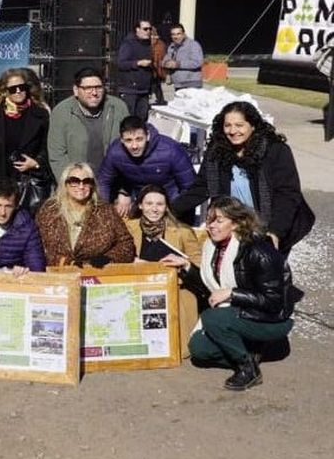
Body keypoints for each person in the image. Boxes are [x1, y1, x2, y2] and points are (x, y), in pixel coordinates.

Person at [161, 197, 297, 391]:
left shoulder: (259, 251)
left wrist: (233, 294)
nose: (211, 226)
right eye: (209, 220)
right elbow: (213, 289)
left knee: (211, 318)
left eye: (219, 220)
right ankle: (250, 350)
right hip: (239, 312)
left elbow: (275, 301)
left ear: (236, 223)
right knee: (199, 350)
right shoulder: (214, 247)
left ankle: (248, 368)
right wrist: (187, 266)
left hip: (271, 318)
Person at [172, 101, 314, 257]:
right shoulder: (217, 151)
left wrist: (275, 232)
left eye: (239, 125)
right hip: (233, 225)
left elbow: (286, 195)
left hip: (270, 224)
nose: (233, 131)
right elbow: (201, 187)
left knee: (266, 274)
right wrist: (169, 210)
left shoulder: (275, 151)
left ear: (252, 126)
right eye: (228, 125)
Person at [125, 184, 203, 353]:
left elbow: (200, 268)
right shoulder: (127, 228)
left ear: (166, 207)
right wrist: (132, 260)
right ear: (140, 205)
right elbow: (116, 257)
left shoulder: (182, 231)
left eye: (159, 204)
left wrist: (184, 262)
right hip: (138, 288)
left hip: (174, 289)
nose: (154, 209)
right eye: (149, 204)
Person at [36, 162, 136, 268]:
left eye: (86, 182)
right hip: (58, 273)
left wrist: (107, 258)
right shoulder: (49, 210)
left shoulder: (106, 211)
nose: (81, 186)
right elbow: (36, 246)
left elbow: (126, 244)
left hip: (95, 273)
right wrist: (68, 264)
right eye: (74, 181)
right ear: (65, 184)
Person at [96, 115, 195, 217]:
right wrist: (103, 210)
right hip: (140, 197)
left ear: (147, 136)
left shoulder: (170, 150)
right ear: (121, 140)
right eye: (129, 140)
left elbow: (189, 186)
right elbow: (103, 181)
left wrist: (174, 210)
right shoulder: (115, 152)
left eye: (139, 139)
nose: (134, 146)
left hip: (170, 196)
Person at [47, 66, 129, 179]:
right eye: (88, 88)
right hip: (76, 182)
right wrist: (71, 182)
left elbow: (128, 143)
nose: (94, 92)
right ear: (76, 90)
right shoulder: (62, 112)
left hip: (111, 180)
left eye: (98, 87)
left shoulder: (118, 108)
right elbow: (57, 155)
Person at [0, 67, 50, 184]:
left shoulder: (40, 114)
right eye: (13, 89)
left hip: (30, 181)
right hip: (2, 180)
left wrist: (36, 163)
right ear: (5, 91)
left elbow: (47, 146)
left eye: (22, 87)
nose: (18, 91)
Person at [116, 19, 155, 121]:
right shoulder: (128, 44)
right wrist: (138, 63)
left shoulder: (148, 44)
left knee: (142, 120)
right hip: (130, 90)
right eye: (145, 29)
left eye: (150, 29)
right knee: (129, 120)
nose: (148, 31)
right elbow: (121, 64)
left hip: (144, 89)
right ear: (137, 29)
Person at [164, 23, 204, 91]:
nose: (176, 36)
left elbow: (198, 62)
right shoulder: (171, 47)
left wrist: (178, 64)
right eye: (173, 34)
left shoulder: (193, 45)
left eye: (178, 34)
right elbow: (165, 59)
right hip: (177, 84)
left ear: (184, 34)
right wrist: (166, 63)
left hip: (191, 84)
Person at [149, 27, 168, 106]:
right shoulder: (160, 43)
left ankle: (161, 100)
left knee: (157, 84)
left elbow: (162, 56)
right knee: (155, 84)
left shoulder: (160, 44)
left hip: (157, 68)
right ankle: (159, 99)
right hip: (154, 68)